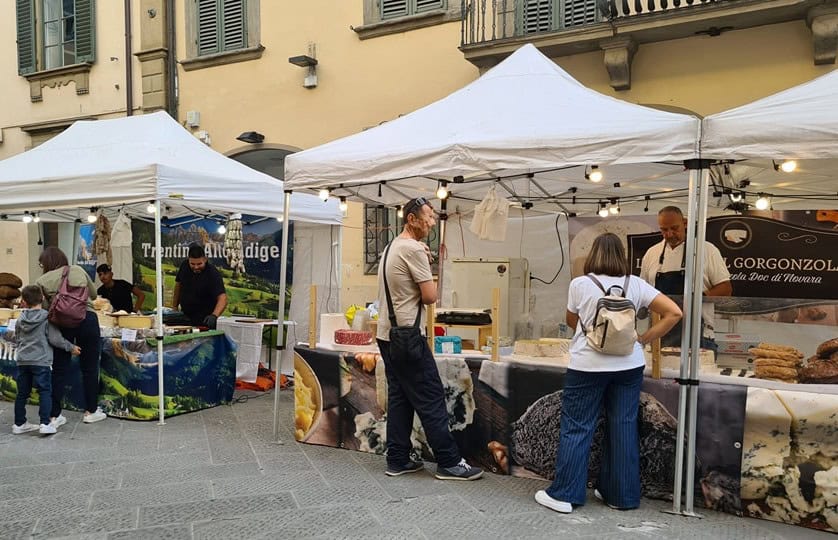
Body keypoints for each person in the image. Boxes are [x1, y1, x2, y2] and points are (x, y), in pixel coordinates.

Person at [535, 233, 682, 514]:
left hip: (587, 366)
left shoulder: (581, 284)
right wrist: (644, 339)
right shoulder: (636, 284)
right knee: (623, 425)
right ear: (622, 256)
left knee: (578, 426)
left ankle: (565, 495)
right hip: (629, 365)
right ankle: (621, 495)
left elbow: (571, 320)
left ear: (593, 255)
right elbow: (674, 313)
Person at [376, 197, 483, 481]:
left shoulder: (392, 246)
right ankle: (449, 461)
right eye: (428, 217)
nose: (432, 222)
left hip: (387, 334)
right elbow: (430, 296)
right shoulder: (413, 250)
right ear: (411, 219)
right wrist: (427, 264)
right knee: (431, 395)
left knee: (400, 397)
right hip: (408, 336)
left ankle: (397, 459)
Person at [639, 206, 732, 350]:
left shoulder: (706, 250)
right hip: (659, 335)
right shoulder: (652, 253)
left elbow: (725, 288)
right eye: (664, 229)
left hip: (698, 334)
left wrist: (696, 299)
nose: (669, 234)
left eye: (674, 228)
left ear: (685, 223)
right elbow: (643, 290)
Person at [35, 247, 107, 425]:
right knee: (90, 368)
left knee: (59, 369)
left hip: (62, 323)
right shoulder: (77, 270)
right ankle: (91, 411)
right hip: (87, 318)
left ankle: (54, 415)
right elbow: (94, 294)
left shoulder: (41, 280)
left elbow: (44, 307)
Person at [8, 286, 80, 435]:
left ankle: (19, 423)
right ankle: (45, 423)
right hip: (41, 360)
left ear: (24, 301)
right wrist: (71, 347)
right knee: (45, 391)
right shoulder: (47, 317)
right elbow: (55, 339)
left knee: (22, 393)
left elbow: (17, 337)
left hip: (23, 360)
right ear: (42, 298)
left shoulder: (20, 318)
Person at [172, 244, 227, 329]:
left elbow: (223, 298)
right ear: (188, 260)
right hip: (185, 318)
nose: (196, 267)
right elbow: (178, 285)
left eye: (199, 264)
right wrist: (175, 306)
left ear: (205, 259)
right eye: (192, 264)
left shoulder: (213, 273)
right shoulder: (184, 266)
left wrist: (214, 316)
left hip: (205, 320)